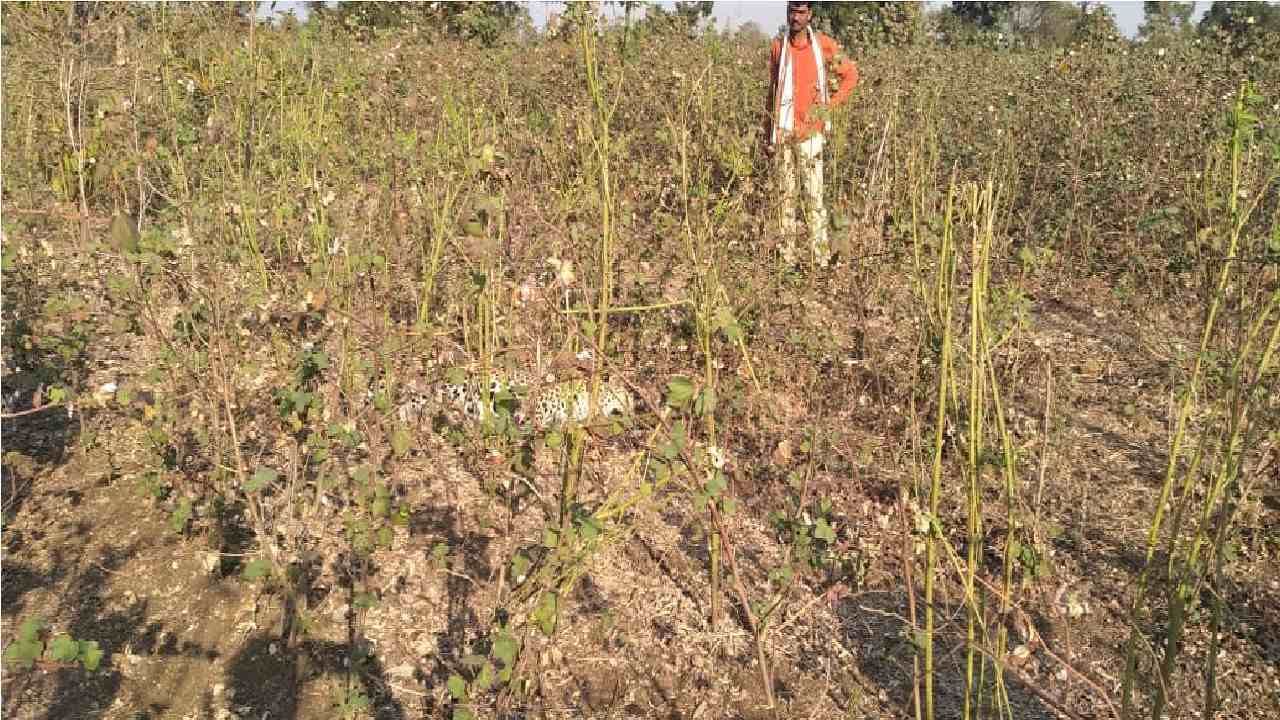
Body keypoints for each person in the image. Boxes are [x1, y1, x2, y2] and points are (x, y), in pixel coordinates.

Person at [764, 1, 858, 268]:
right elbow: (772, 93)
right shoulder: (778, 48)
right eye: (792, 12)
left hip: (811, 136)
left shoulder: (824, 45)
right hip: (783, 135)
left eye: (801, 12)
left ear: (810, 15)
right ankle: (787, 261)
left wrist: (828, 109)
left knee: (815, 199)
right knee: (785, 200)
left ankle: (821, 260)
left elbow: (851, 76)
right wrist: (766, 134)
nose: (795, 17)